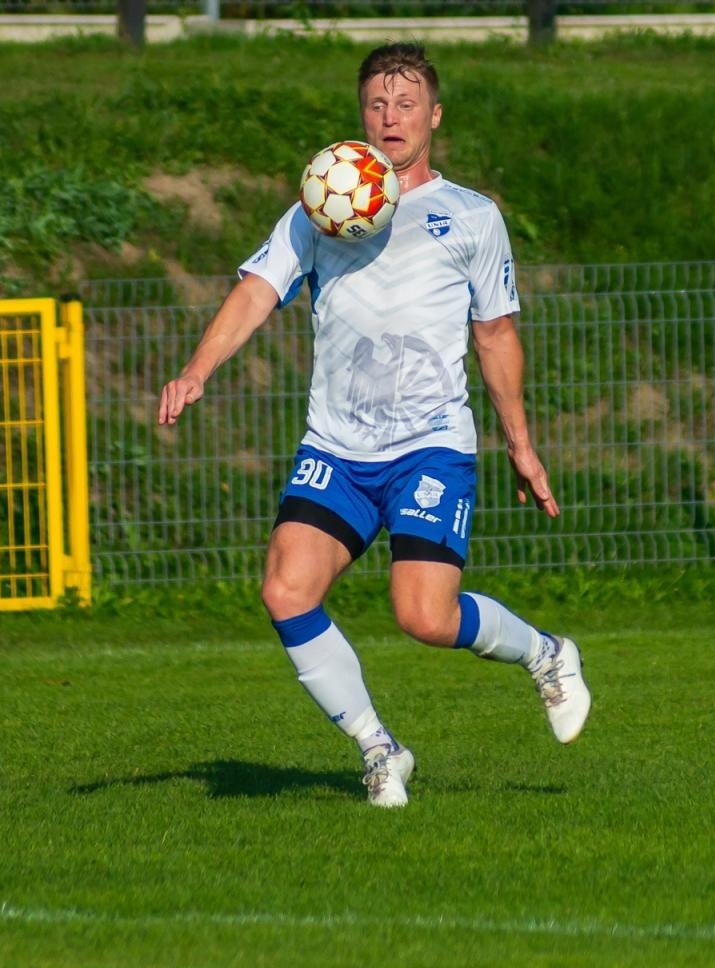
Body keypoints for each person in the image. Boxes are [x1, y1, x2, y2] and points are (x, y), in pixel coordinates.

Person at [157, 43, 589, 808]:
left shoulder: (472, 217)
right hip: (337, 445)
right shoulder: (321, 204)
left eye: (407, 101)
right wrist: (198, 369)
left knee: (423, 615)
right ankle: (378, 749)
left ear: (434, 115)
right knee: (287, 590)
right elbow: (257, 292)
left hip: (431, 444)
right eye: (377, 104)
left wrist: (521, 443)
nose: (391, 117)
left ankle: (547, 655)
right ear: (363, 115)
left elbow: (494, 335)